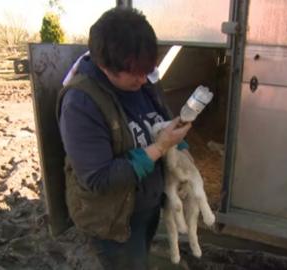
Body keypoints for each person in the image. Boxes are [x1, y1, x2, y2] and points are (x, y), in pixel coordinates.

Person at [56, 7, 192, 270]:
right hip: (113, 220)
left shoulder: (142, 77)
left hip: (144, 207)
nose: (144, 79)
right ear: (105, 65)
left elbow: (160, 118)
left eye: (148, 69)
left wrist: (180, 146)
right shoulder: (81, 103)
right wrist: (161, 146)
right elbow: (99, 178)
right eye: (136, 73)